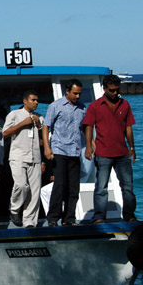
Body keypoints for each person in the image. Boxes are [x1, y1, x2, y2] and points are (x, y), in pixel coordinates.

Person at [83, 74, 137, 224]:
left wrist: (132, 147)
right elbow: (88, 127)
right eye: (112, 90)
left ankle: (129, 216)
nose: (115, 93)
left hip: (122, 153)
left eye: (116, 90)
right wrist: (88, 147)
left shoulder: (125, 104)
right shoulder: (94, 106)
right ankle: (99, 217)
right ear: (104, 89)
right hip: (103, 154)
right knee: (101, 187)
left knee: (128, 187)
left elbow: (128, 128)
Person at [42, 79, 86, 226]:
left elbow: (84, 128)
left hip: (75, 151)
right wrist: (47, 148)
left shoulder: (82, 108)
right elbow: (46, 126)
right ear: (67, 91)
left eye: (79, 93)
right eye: (75, 93)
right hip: (59, 150)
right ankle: (53, 218)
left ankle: (69, 218)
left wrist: (91, 145)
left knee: (74, 187)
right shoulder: (56, 106)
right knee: (59, 185)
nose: (78, 96)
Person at [3, 91, 44, 228]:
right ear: (25, 101)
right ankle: (14, 209)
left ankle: (29, 222)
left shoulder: (40, 117)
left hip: (35, 156)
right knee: (21, 185)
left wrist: (38, 124)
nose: (36, 102)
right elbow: (5, 133)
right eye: (33, 100)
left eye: (37, 100)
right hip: (18, 155)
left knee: (34, 191)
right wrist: (23, 123)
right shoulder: (14, 114)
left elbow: (43, 136)